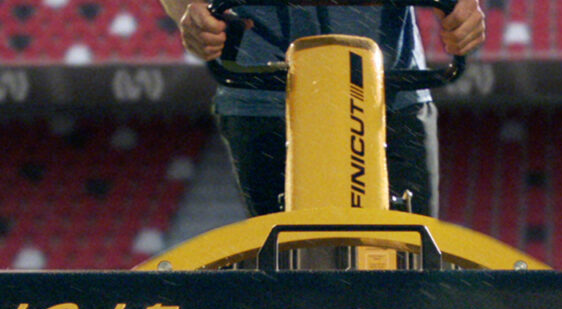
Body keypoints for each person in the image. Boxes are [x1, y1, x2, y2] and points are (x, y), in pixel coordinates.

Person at [161, 0, 486, 219]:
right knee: (287, 273)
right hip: (268, 91)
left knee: (407, 265)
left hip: (387, 89)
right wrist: (191, 13)